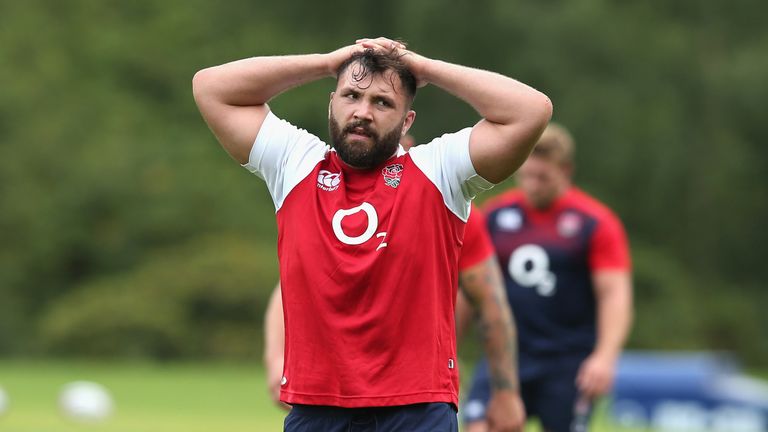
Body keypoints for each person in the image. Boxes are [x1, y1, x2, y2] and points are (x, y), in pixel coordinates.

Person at [193, 36, 552, 431]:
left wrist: (425, 68)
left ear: (406, 121)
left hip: (416, 407)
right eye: (351, 95)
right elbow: (211, 87)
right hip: (317, 407)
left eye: (383, 102)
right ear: (332, 102)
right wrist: (327, 62)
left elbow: (531, 110)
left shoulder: (438, 171)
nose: (362, 111)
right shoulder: (295, 163)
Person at [264, 134, 525, 429]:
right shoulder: (330, 199)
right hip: (327, 396)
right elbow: (289, 287)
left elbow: (490, 301)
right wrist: (277, 359)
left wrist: (505, 391)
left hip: (414, 397)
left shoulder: (450, 210)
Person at [458, 124, 633, 432]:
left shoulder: (594, 223)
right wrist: (450, 350)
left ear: (565, 170)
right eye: (526, 175)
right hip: (506, 354)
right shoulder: (496, 217)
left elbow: (614, 294)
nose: (532, 185)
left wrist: (605, 357)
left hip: (568, 361)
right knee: (479, 426)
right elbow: (471, 289)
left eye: (543, 177)